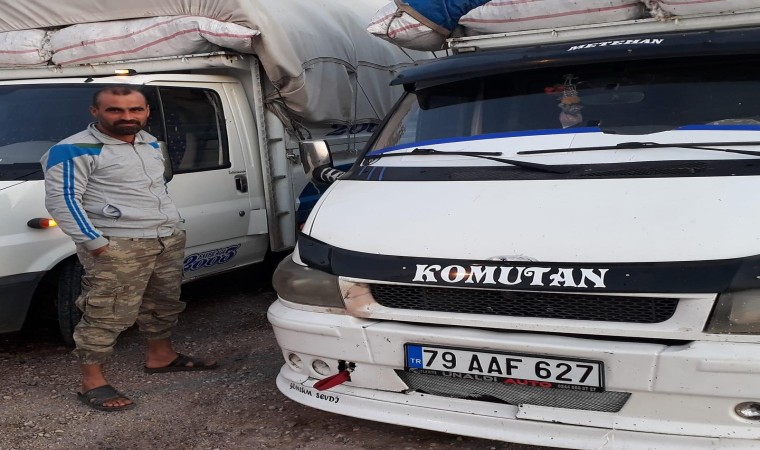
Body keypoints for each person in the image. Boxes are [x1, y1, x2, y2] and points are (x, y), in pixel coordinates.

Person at [40, 86, 217, 412]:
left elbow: (156, 187)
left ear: (146, 111)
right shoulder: (73, 149)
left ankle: (161, 356)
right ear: (95, 112)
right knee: (107, 311)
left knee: (163, 302)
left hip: (165, 238)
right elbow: (63, 200)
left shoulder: (149, 143)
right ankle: (92, 382)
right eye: (115, 110)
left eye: (135, 109)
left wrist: (172, 225)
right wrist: (96, 243)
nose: (127, 116)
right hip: (119, 245)